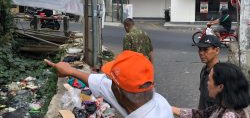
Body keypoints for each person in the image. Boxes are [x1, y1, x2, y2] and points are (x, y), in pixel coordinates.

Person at [44, 50, 174, 118]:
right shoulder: (152, 99)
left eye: (111, 79)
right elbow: (102, 84)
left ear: (117, 90)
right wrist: (70, 71)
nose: (108, 82)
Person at [172, 62, 249, 118]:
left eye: (209, 80)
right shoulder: (223, 105)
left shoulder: (229, 115)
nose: (207, 83)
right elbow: (203, 114)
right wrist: (168, 107)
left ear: (220, 87)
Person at [195, 35, 221, 110]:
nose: (201, 53)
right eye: (200, 49)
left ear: (217, 50)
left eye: (206, 49)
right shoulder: (204, 70)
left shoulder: (221, 74)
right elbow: (203, 98)